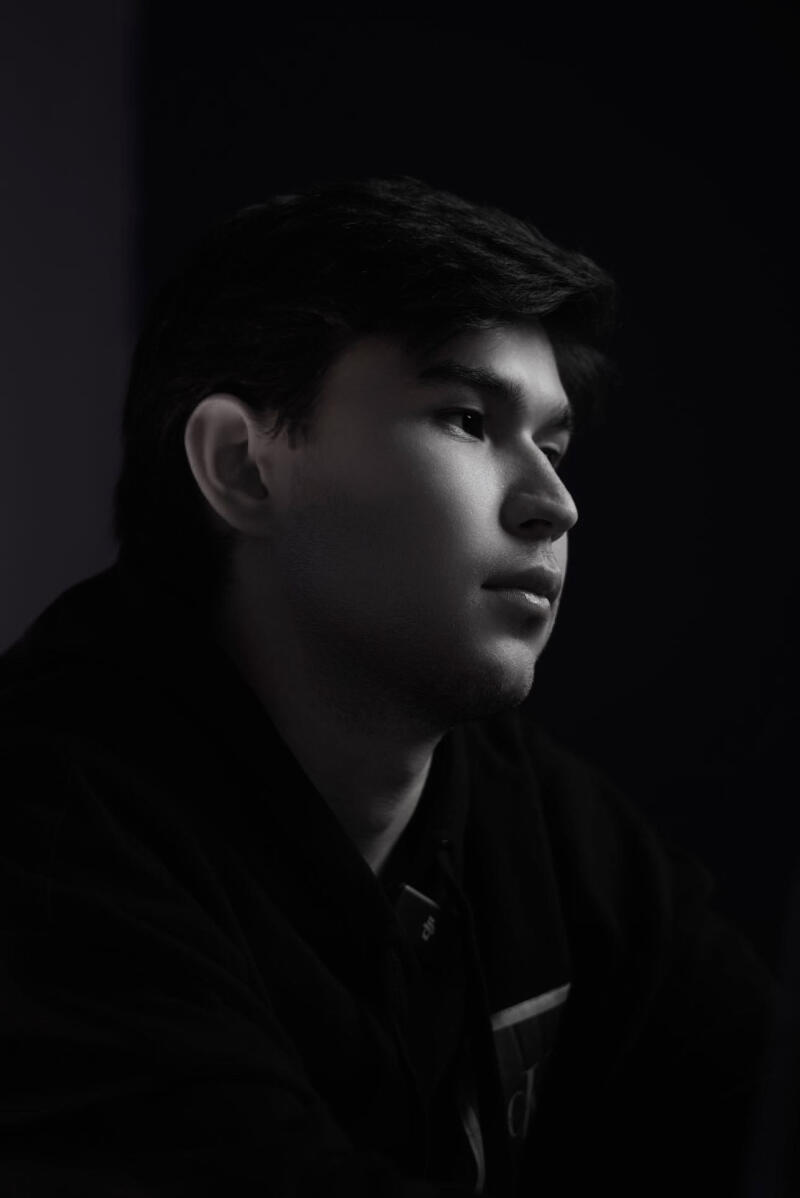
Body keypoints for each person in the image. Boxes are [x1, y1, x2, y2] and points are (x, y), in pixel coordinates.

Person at [0, 177, 778, 1197]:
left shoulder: (514, 796)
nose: (555, 505)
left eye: (551, 444)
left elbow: (758, 1100)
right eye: (464, 418)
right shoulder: (45, 844)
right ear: (241, 464)